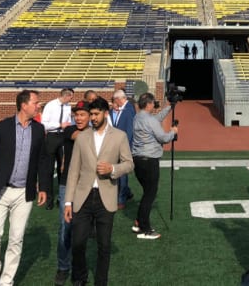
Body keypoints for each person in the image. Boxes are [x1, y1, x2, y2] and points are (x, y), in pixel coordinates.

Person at [0, 89, 49, 286]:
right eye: (36, 102)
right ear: (24, 105)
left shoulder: (39, 130)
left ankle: (6, 281)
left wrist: (44, 187)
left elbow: (43, 160)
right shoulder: (2, 127)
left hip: (24, 193)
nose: (38, 105)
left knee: (16, 239)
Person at [64, 96, 134, 286]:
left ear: (105, 113)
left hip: (106, 197)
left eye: (96, 114)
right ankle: (80, 278)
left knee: (104, 245)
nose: (92, 118)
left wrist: (112, 169)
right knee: (78, 243)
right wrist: (68, 202)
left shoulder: (119, 136)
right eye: (91, 114)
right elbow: (73, 171)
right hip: (83, 197)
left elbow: (129, 164)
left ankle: (101, 281)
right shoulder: (82, 137)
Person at [54, 100, 91, 286]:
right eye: (76, 114)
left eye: (83, 114)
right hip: (67, 185)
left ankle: (79, 271)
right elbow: (80, 138)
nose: (79, 118)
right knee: (65, 228)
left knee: (82, 231)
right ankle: (62, 267)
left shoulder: (95, 132)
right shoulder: (70, 131)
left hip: (87, 186)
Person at [131, 91, 178, 239]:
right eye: (153, 103)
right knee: (150, 195)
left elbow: (155, 119)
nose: (154, 105)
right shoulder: (149, 120)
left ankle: (139, 222)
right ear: (149, 104)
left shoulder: (137, 117)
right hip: (149, 160)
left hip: (138, 159)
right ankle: (145, 229)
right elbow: (163, 138)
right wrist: (173, 132)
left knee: (147, 193)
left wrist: (169, 107)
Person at [41, 87, 74, 208]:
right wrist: (59, 124)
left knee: (63, 168)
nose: (71, 99)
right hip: (51, 137)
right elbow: (44, 124)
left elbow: (68, 121)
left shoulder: (68, 107)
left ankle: (61, 198)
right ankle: (49, 200)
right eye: (71, 97)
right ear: (66, 95)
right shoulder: (50, 105)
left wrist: (68, 125)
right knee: (49, 169)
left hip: (63, 137)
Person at [111, 88, 136, 206]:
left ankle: (121, 198)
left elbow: (129, 131)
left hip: (123, 146)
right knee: (119, 172)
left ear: (118, 99)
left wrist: (126, 147)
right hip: (117, 145)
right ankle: (127, 193)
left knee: (122, 173)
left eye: (115, 100)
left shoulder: (128, 109)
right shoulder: (122, 109)